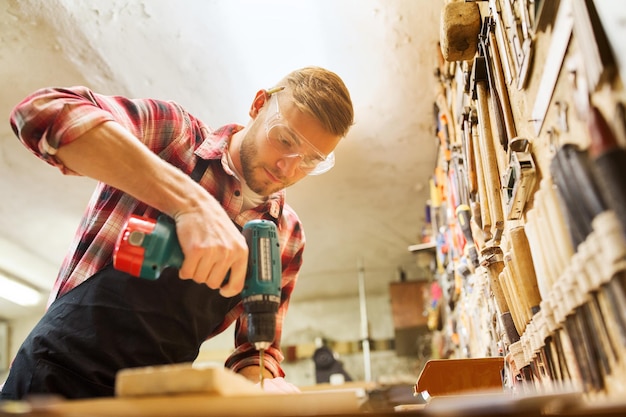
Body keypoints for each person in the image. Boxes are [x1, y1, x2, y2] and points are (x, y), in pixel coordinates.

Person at [0, 66, 354, 399]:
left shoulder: (285, 234)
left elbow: (255, 349)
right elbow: (41, 112)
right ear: (259, 105)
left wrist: (265, 383)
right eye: (284, 139)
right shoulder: (175, 137)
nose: (288, 166)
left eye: (310, 160)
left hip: (154, 398)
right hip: (54, 377)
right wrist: (188, 203)